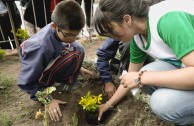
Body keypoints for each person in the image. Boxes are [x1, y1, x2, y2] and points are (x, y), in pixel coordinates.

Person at [94, 0, 194, 125]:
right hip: (187, 66)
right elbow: (129, 77)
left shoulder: (167, 21)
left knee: (161, 103)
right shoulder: (138, 38)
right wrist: (108, 104)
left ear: (127, 20)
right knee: (141, 75)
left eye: (111, 30)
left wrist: (142, 78)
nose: (110, 36)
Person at [17, 0, 95, 122]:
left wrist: (79, 69)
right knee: (76, 50)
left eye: (76, 35)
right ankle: (53, 86)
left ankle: (61, 83)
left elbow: (64, 46)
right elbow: (26, 82)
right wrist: (48, 100)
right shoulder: (41, 47)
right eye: (68, 35)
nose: (73, 39)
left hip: (47, 60)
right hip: (36, 75)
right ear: (54, 26)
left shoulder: (58, 32)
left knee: (78, 49)